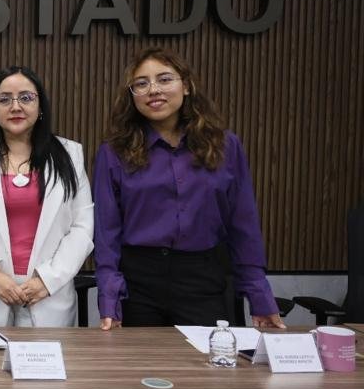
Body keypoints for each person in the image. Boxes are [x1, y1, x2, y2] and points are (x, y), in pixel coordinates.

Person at [93, 47, 285, 331]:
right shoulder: (114, 152)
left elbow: (243, 224)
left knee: (210, 370)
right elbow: (106, 232)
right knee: (141, 372)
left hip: (203, 278)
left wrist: (259, 294)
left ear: (187, 85)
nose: (153, 90)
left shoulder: (224, 146)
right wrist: (109, 298)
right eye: (141, 84)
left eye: (164, 79)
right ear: (132, 96)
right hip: (139, 283)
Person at [0, 66, 93, 327]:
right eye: (4, 99)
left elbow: (82, 227)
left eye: (26, 98)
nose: (15, 106)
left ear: (40, 106)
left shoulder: (69, 154)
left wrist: (47, 280)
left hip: (48, 297)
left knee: (45, 367)